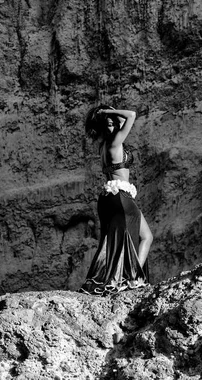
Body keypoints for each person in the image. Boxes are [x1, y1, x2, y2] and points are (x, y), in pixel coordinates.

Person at [79, 104, 153, 296]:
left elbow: (122, 120)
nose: (113, 126)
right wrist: (107, 112)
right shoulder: (114, 142)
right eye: (109, 124)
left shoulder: (104, 145)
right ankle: (131, 279)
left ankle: (126, 277)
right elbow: (131, 115)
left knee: (120, 239)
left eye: (113, 123)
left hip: (109, 198)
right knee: (142, 237)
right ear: (104, 127)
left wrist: (107, 114)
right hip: (120, 196)